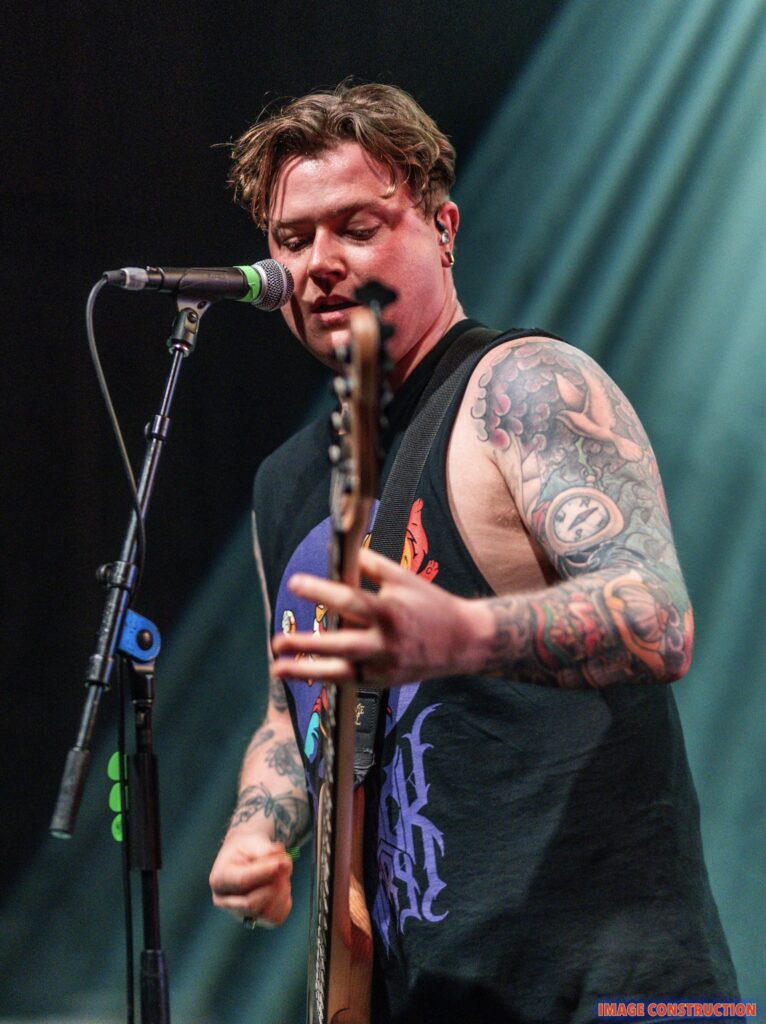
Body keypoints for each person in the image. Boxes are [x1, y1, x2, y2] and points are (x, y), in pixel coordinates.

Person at [209, 83, 739, 1023]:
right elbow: (289, 714)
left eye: (357, 228)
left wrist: (462, 634)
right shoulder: (286, 483)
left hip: (611, 988)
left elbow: (658, 619)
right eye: (293, 240)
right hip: (435, 995)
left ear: (442, 229)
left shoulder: (523, 388)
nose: (320, 263)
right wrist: (258, 834)